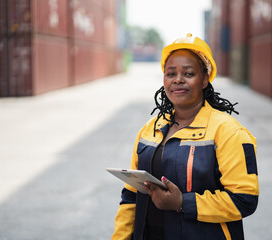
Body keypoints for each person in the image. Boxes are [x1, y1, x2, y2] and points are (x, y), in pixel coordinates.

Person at [111, 33, 259, 240]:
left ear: (205, 79)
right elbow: (131, 196)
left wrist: (183, 203)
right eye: (171, 73)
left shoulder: (228, 131)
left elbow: (245, 199)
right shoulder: (150, 129)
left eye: (188, 73)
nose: (178, 80)